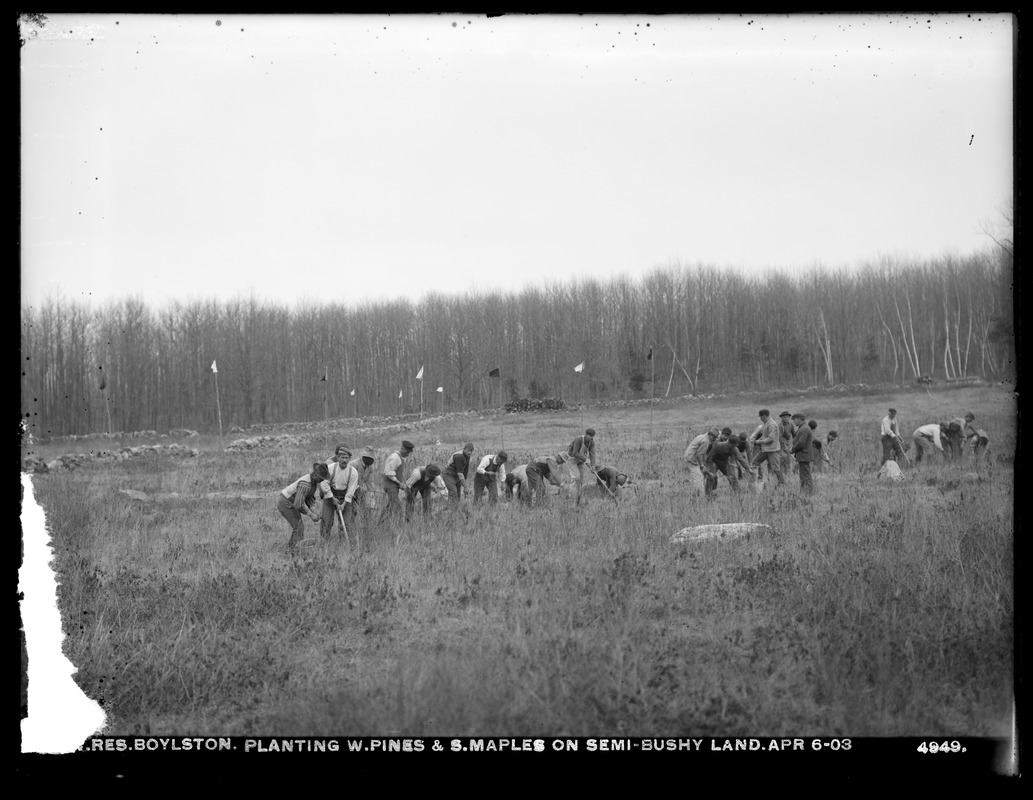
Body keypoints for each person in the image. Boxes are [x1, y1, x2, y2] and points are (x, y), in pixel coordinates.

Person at [278, 462, 331, 553]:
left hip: (292, 502)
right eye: (321, 478)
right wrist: (311, 515)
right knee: (298, 527)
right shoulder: (305, 484)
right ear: (315, 475)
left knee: (299, 527)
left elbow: (309, 498)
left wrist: (315, 511)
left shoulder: (313, 482)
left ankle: (292, 549)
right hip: (286, 503)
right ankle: (294, 550)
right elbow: (299, 504)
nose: (322, 480)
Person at [320, 445, 359, 541]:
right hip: (330, 497)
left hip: (344, 497)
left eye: (346, 458)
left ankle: (343, 542)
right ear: (338, 457)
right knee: (327, 521)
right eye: (342, 457)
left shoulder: (353, 472)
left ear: (349, 459)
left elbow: (351, 490)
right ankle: (324, 542)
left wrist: (344, 503)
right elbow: (324, 484)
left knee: (346, 522)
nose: (344, 460)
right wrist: (332, 498)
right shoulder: (330, 468)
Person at [750, 410, 785, 486]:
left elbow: (770, 439)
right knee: (754, 462)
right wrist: (758, 440)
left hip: (773, 450)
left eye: (760, 417)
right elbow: (764, 436)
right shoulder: (766, 423)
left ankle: (782, 483)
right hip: (765, 449)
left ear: (764, 416)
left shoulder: (772, 424)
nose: (760, 419)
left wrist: (758, 442)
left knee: (775, 467)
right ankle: (753, 481)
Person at [381, 440, 415, 518]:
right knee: (397, 506)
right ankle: (399, 525)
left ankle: (380, 522)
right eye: (407, 452)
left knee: (390, 506)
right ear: (402, 449)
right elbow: (389, 473)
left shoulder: (400, 458)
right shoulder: (395, 458)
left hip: (394, 484)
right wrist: (399, 483)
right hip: (389, 484)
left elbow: (399, 473)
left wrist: (404, 484)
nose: (408, 454)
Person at [566, 428, 598, 505]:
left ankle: (579, 499)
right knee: (576, 477)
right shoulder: (579, 439)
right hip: (572, 460)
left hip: (581, 462)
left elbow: (592, 454)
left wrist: (593, 465)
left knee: (580, 481)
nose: (591, 439)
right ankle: (571, 497)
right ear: (586, 435)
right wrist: (584, 459)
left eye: (592, 437)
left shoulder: (591, 442)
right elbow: (574, 453)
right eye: (590, 437)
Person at [685, 428, 720, 493]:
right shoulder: (706, 441)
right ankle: (699, 495)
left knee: (700, 476)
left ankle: (700, 492)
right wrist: (702, 465)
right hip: (692, 459)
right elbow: (699, 455)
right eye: (714, 438)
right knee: (698, 477)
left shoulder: (702, 436)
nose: (715, 439)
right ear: (711, 436)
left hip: (689, 456)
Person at [442, 443, 475, 507]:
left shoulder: (467, 456)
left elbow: (465, 469)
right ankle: (452, 511)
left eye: (471, 451)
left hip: (456, 476)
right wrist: (465, 487)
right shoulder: (459, 456)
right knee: (453, 494)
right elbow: (460, 473)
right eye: (468, 450)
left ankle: (455, 509)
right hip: (449, 475)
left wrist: (465, 483)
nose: (469, 452)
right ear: (464, 449)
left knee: (458, 495)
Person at [791, 414, 814, 494]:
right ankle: (805, 492)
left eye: (794, 419)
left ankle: (807, 493)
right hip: (803, 455)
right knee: (804, 475)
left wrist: (792, 450)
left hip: (804, 456)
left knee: (805, 476)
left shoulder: (804, 429)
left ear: (799, 419)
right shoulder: (803, 428)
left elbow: (801, 443)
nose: (793, 421)